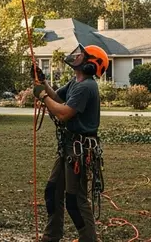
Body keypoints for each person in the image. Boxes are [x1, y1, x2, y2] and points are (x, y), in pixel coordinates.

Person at [32, 43, 109, 242]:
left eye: (82, 56)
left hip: (80, 149)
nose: (76, 57)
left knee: (75, 200)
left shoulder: (86, 86)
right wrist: (43, 82)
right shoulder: (76, 82)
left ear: (90, 65)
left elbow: (64, 113)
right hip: (68, 147)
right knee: (53, 190)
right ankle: (51, 236)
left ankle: (88, 239)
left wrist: (42, 96)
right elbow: (58, 97)